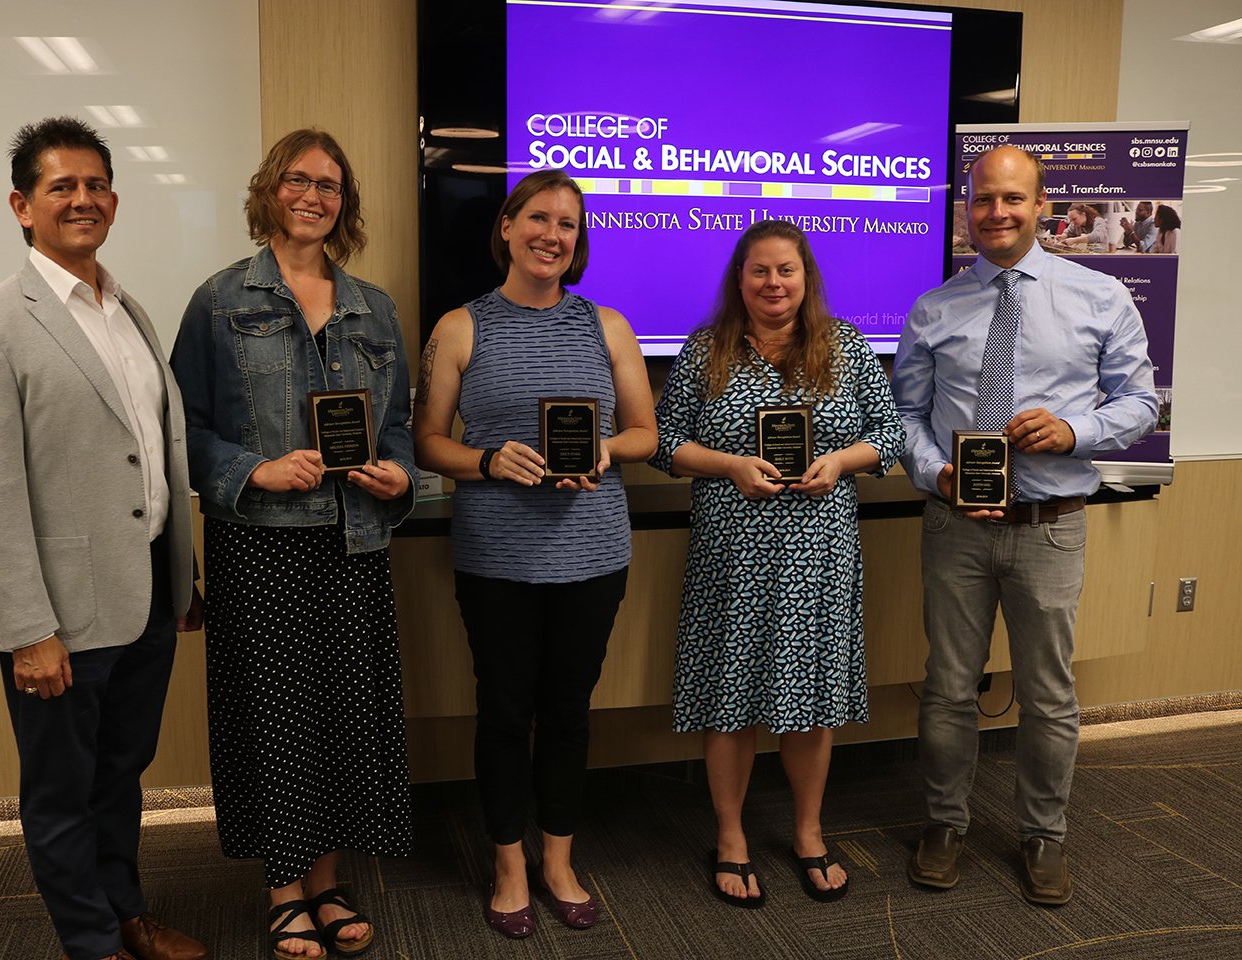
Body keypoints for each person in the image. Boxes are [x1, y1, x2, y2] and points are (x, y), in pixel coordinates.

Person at [0, 117, 207, 960]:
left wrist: (181, 575)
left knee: (119, 779)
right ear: (23, 206)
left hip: (147, 601)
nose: (82, 200)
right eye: (62, 187)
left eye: (95, 186)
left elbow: (153, 454)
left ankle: (126, 912)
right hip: (59, 618)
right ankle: (92, 944)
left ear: (114, 202)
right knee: (61, 794)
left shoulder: (127, 311)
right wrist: (27, 629)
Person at [169, 128, 417, 960]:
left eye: (332, 187)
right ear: (270, 189)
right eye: (299, 181)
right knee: (277, 720)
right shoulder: (218, 301)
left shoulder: (373, 307)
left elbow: (404, 428)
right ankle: (284, 886)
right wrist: (254, 470)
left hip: (355, 540)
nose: (315, 196)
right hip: (262, 543)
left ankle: (328, 880)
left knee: (347, 715)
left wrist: (398, 476)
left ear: (344, 205)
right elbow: (184, 432)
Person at [892, 145, 1157, 906]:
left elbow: (1139, 405)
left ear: (1044, 206)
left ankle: (1045, 835)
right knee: (947, 687)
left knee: (1049, 693)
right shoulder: (935, 308)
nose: (997, 213)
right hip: (956, 526)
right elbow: (905, 414)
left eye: (1013, 199)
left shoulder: (1100, 297)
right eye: (982, 200)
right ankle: (945, 823)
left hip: (1050, 524)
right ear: (965, 209)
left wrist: (1073, 431)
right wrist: (934, 470)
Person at [412, 169, 657, 938]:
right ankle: (509, 862)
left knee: (567, 713)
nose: (554, 235)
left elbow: (646, 434)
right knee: (504, 711)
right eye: (540, 219)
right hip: (496, 558)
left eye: (570, 225)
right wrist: (488, 460)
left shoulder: (607, 326)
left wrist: (607, 452)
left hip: (592, 553)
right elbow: (427, 442)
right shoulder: (460, 326)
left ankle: (558, 859)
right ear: (509, 227)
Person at [651, 220, 904, 907]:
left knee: (809, 703)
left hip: (817, 558)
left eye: (786, 271)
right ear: (740, 279)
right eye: (760, 271)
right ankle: (730, 838)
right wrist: (730, 464)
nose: (773, 284)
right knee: (729, 703)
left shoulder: (846, 346)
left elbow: (891, 435)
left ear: (806, 278)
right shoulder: (706, 350)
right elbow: (664, 441)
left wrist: (841, 461)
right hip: (730, 558)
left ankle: (808, 832)